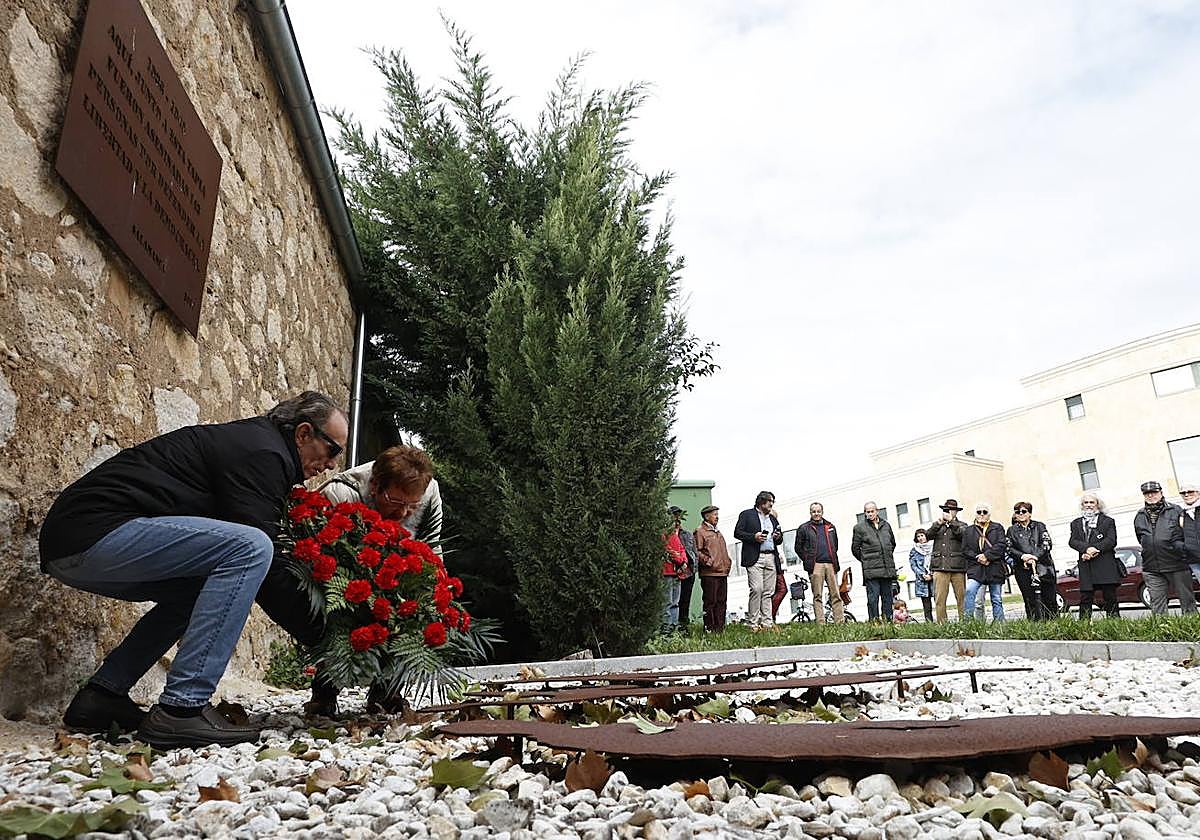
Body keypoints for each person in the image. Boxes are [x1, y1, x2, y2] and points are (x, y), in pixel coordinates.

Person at [40, 392, 348, 748]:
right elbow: (269, 572)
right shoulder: (264, 453)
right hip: (92, 535)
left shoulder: (261, 447)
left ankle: (102, 696)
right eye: (333, 451)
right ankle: (181, 711)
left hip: (76, 544)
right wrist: (329, 638)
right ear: (304, 434)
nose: (331, 465)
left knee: (201, 584)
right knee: (251, 548)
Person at [260, 444, 438, 717]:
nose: (404, 514)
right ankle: (324, 692)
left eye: (412, 506)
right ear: (376, 486)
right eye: (396, 502)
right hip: (343, 575)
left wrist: (434, 593)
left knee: (412, 610)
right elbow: (322, 562)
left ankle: (387, 693)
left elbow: (432, 549)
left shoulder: (429, 493)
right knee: (341, 612)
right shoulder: (341, 493)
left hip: (400, 569)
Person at [1134, 480, 1196, 616]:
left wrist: (1180, 548)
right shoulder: (1139, 515)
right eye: (1147, 493)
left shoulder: (1176, 510)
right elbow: (1141, 538)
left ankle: (1193, 630)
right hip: (1152, 567)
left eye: (1154, 492)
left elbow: (1188, 534)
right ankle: (1163, 632)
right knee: (1157, 605)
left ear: (1161, 493)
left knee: (1187, 601)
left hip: (1177, 564)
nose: (1151, 496)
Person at [734, 491, 782, 632]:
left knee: (768, 591)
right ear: (761, 502)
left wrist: (777, 536)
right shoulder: (747, 515)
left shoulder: (773, 519)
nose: (771, 505)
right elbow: (738, 533)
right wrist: (753, 537)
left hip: (770, 556)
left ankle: (767, 623)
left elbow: (780, 539)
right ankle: (753, 622)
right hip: (755, 556)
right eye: (769, 502)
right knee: (756, 589)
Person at [1067, 492, 1121, 619]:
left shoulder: (1108, 521)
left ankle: (1115, 624)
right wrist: (1087, 549)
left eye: (1092, 502)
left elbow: (1111, 541)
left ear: (1098, 504)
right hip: (1086, 566)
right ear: (1082, 505)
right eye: (1086, 502)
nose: (1089, 505)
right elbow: (1072, 541)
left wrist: (1095, 549)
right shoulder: (1075, 523)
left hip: (1105, 565)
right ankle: (1083, 627)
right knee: (1085, 598)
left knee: (1110, 597)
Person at [793, 502, 844, 624]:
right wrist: (808, 559)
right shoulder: (804, 528)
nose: (816, 514)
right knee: (817, 596)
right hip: (815, 566)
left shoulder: (830, 526)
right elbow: (798, 548)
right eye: (814, 511)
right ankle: (821, 624)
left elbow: (835, 545)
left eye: (818, 511)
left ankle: (840, 622)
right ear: (810, 513)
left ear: (822, 512)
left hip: (831, 564)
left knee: (836, 595)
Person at [1006, 502, 1057, 620]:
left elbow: (1046, 544)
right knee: (1030, 600)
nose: (1020, 514)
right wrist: (1023, 556)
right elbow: (1009, 548)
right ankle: (1035, 625)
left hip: (1044, 567)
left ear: (1030, 514)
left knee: (1049, 598)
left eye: (1024, 511)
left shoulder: (1039, 526)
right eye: (1017, 512)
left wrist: (1034, 557)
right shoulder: (1011, 530)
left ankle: (1053, 624)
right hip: (1023, 569)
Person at [851, 502, 898, 622]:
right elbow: (855, 549)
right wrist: (866, 560)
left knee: (888, 598)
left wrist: (886, 556)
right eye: (867, 512)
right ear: (865, 513)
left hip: (887, 569)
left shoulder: (886, 525)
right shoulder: (859, 528)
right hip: (871, 571)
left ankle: (888, 622)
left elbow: (892, 544)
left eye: (872, 511)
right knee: (873, 599)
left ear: (877, 511)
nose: (870, 514)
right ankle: (874, 623)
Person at [963, 503, 1008, 622]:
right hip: (976, 569)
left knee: (996, 598)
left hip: (994, 568)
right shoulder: (969, 530)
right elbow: (965, 549)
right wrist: (978, 557)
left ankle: (1000, 625)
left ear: (989, 515)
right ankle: (968, 623)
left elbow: (1001, 545)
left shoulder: (997, 527)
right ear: (976, 515)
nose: (982, 514)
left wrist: (987, 556)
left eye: (984, 512)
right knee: (970, 591)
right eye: (979, 512)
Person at [926, 499, 968, 621]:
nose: (948, 512)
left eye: (951, 510)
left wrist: (952, 522)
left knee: (962, 598)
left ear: (956, 512)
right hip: (940, 567)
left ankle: (965, 623)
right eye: (946, 510)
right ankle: (942, 625)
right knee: (940, 599)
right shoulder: (938, 525)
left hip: (957, 567)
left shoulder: (962, 525)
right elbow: (927, 536)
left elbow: (964, 535)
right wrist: (937, 525)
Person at [694, 505, 732, 632]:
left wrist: (727, 563)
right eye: (714, 514)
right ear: (706, 516)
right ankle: (709, 628)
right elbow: (696, 551)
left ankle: (720, 629)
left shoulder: (718, 532)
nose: (717, 517)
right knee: (711, 601)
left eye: (717, 514)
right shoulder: (700, 531)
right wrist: (708, 561)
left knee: (722, 601)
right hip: (709, 573)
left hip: (722, 572)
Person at [668, 506, 699, 629]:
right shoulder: (668, 534)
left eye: (678, 515)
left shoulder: (687, 534)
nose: (677, 518)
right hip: (674, 571)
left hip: (688, 572)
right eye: (674, 515)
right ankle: (671, 627)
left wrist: (693, 569)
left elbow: (694, 552)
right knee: (672, 601)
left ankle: (684, 627)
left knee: (685, 601)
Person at [661, 513, 688, 630]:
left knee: (675, 603)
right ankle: (666, 629)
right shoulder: (662, 534)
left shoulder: (673, 534)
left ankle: (673, 627)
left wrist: (684, 561)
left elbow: (681, 549)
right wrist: (681, 561)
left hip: (677, 572)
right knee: (667, 603)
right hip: (666, 572)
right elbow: (668, 550)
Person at [908, 528, 934, 622]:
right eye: (918, 536)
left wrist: (931, 574)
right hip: (922, 581)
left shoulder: (934, 547)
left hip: (934, 579)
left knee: (939, 601)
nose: (920, 538)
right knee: (926, 605)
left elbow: (937, 562)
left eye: (922, 535)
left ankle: (942, 622)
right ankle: (929, 623)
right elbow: (913, 565)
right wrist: (922, 575)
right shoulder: (914, 550)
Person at [1180, 483, 1200, 586]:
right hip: (1194, 559)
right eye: (1183, 493)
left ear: (1198, 493)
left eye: (1190, 492)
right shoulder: (1181, 513)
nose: (1187, 495)